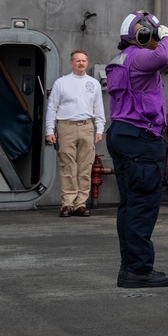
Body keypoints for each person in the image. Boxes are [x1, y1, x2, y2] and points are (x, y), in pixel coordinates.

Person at [106, 10, 168, 289]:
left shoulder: (120, 60)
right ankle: (138, 269)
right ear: (144, 34)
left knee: (129, 206)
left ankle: (129, 266)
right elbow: (163, 56)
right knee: (143, 206)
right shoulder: (139, 57)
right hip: (141, 139)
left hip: (121, 134)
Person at [45, 50, 106, 218]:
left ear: (87, 62)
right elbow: (52, 107)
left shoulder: (93, 83)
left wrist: (99, 129)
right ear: (71, 63)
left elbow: (98, 108)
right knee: (67, 166)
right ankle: (67, 204)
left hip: (87, 126)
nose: (81, 63)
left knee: (85, 167)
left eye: (84, 60)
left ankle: (80, 204)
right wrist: (50, 130)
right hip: (66, 126)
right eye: (77, 61)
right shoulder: (61, 83)